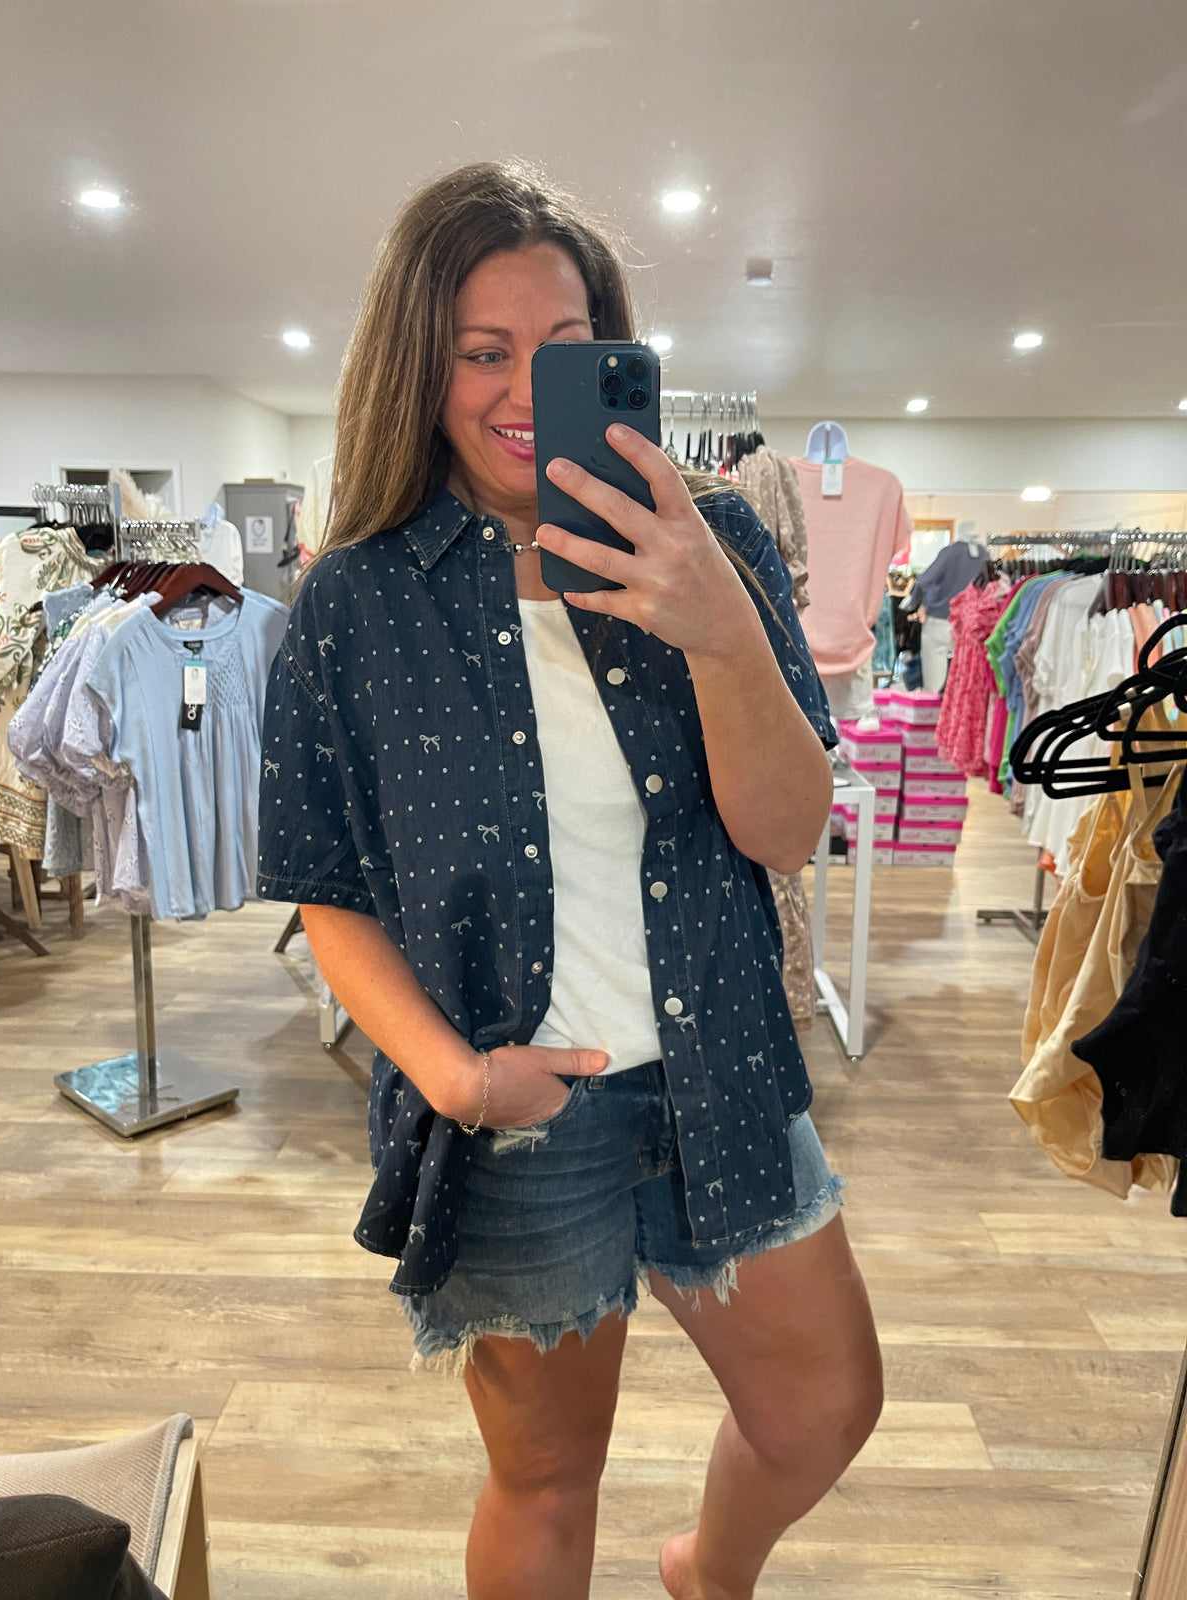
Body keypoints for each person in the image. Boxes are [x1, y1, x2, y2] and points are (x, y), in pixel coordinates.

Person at [257, 160, 882, 1600]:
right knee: (545, 1482)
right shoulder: (358, 598)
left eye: (564, 348)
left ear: (616, 356)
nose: (525, 391)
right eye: (482, 352)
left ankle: (707, 1571)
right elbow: (325, 886)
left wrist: (720, 628)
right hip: (522, 1106)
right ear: (419, 368)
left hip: (723, 1066)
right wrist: (457, 1080)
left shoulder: (713, 542)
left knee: (826, 1406)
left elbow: (787, 832)